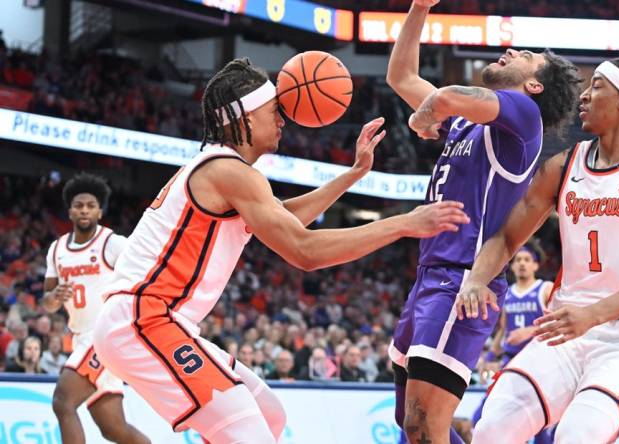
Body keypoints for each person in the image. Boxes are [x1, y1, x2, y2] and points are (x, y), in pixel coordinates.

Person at [93, 57, 469, 444]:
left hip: (158, 320)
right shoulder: (230, 171)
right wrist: (404, 223)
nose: (283, 120)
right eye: (273, 110)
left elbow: (287, 218)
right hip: (143, 319)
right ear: (243, 117)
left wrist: (354, 175)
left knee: (270, 417)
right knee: (249, 433)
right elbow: (304, 251)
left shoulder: (226, 171)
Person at [457, 56, 619, 443]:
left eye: (597, 85)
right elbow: (505, 238)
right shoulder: (562, 165)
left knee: (579, 434)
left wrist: (593, 314)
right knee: (492, 428)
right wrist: (476, 279)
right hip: (564, 331)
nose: (583, 96)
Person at [386, 1, 582, 442]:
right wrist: (418, 8)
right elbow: (400, 78)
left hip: (463, 283)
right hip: (428, 276)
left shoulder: (525, 118)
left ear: (533, 84)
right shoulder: (466, 124)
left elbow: (449, 97)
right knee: (411, 423)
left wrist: (431, 109)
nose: (511, 52)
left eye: (527, 56)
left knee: (423, 426)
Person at [42, 173, 149, 444]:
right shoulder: (56, 250)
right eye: (79, 205)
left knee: (63, 402)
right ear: (70, 211)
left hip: (105, 335)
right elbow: (48, 303)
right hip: (80, 338)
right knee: (113, 428)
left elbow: (145, 275)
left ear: (100, 211)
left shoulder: (112, 243)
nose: (85, 210)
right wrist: (54, 296)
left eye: (90, 205)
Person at [471, 243, 554, 443]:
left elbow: (560, 323)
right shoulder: (506, 294)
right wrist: (489, 357)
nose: (522, 264)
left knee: (540, 428)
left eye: (527, 260)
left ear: (536, 265)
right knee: (480, 417)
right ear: (513, 266)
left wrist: (531, 331)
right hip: (511, 363)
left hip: (539, 363)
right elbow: (503, 331)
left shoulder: (545, 289)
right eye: (518, 260)